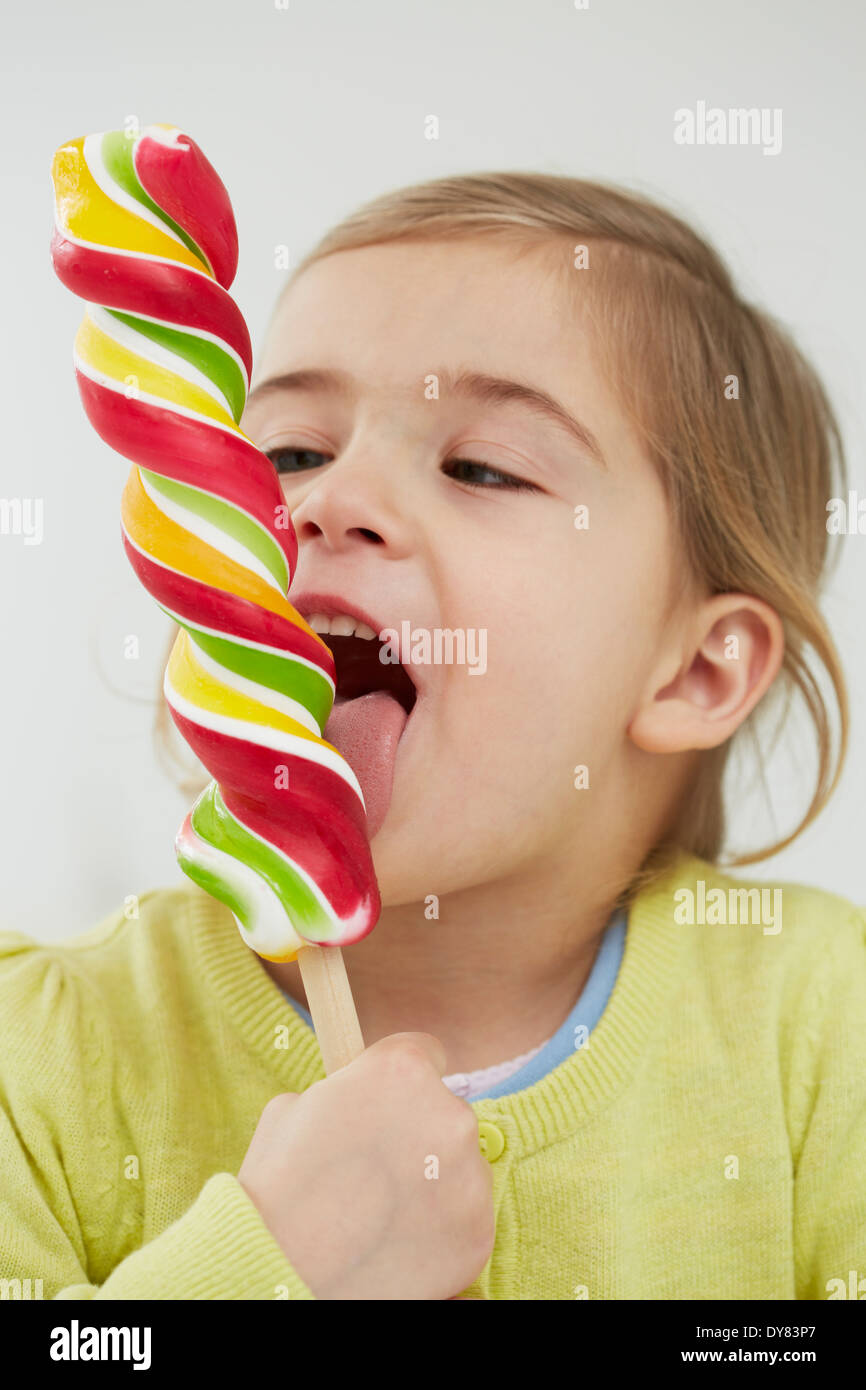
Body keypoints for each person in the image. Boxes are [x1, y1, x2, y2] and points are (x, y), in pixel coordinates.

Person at [2, 172, 863, 1301]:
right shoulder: (47, 1057)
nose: (325, 501)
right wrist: (269, 1270)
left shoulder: (821, 1037)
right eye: (293, 452)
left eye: (478, 466)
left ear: (695, 668)